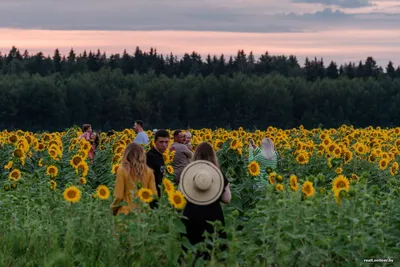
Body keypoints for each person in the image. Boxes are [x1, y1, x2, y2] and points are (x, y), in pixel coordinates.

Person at [179, 142, 231, 261]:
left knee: (190, 252)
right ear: (213, 155)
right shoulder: (218, 174)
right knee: (214, 251)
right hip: (213, 215)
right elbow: (227, 199)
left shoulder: (188, 173)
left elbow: (180, 194)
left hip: (191, 214)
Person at [110, 143, 157, 216]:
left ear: (126, 154)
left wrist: (113, 209)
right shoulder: (149, 172)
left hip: (126, 212)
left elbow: (119, 196)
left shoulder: (122, 170)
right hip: (143, 213)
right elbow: (154, 194)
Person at [146, 129, 170, 197]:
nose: (164, 145)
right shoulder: (150, 157)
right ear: (155, 142)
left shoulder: (160, 155)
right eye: (161, 142)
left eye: (166, 142)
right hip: (151, 195)